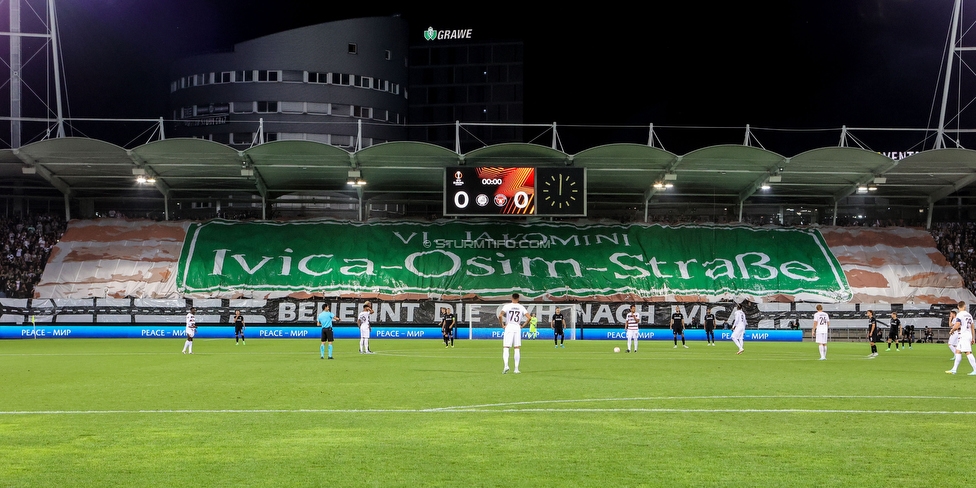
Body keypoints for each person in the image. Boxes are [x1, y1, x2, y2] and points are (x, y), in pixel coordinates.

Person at [499, 293, 528, 374]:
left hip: (509, 327)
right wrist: (522, 325)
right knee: (517, 348)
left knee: (506, 347)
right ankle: (516, 369)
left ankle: (506, 366)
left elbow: (500, 316)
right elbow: (529, 318)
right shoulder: (521, 307)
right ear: (518, 299)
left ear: (511, 298)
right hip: (517, 327)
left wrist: (502, 325)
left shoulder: (507, 306)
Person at [946, 302, 976, 375]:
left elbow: (957, 325)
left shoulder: (959, 314)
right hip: (967, 335)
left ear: (958, 307)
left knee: (968, 352)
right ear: (964, 306)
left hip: (964, 336)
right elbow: (972, 327)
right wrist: (973, 338)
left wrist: (952, 330)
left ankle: (975, 370)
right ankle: (954, 369)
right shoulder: (969, 315)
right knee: (958, 351)